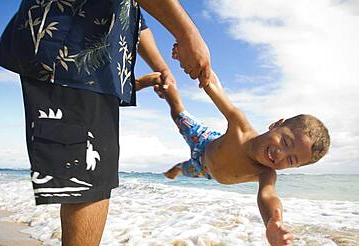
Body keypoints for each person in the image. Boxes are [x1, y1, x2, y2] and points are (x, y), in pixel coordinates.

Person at [0, 1, 211, 245]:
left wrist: (163, 68)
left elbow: (134, 14)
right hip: (73, 48)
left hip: (95, 62)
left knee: (95, 180)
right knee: (88, 183)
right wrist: (188, 34)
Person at [136, 54, 330, 246]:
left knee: (184, 169)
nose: (281, 153)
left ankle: (177, 169)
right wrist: (198, 63)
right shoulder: (240, 127)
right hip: (202, 141)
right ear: (276, 124)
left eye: (291, 160)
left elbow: (268, 195)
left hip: (205, 171)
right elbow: (215, 87)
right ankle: (161, 81)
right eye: (285, 142)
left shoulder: (266, 173)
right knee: (176, 111)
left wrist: (273, 221)